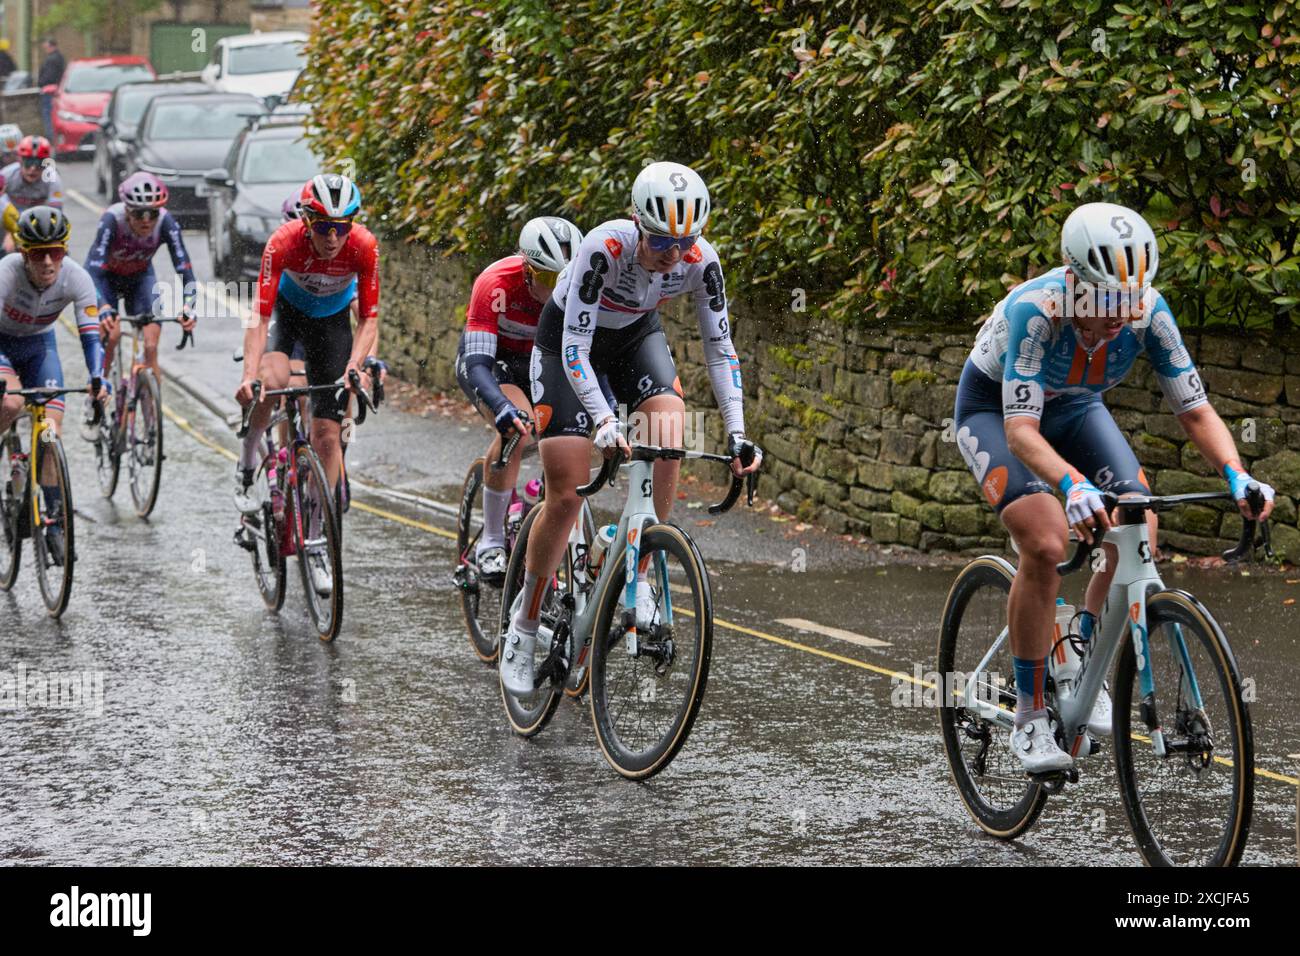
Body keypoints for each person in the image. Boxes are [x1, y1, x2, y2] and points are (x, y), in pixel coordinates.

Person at [953, 201, 1276, 774]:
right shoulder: (1038, 311)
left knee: (1139, 520)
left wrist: (1237, 473)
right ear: (1074, 281)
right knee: (1048, 541)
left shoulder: (1149, 312)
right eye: (1106, 301)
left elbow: (1195, 411)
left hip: (1077, 409)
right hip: (996, 414)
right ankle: (1029, 716)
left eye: (1129, 300)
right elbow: (1021, 431)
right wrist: (1072, 485)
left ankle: (1078, 642)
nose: (1119, 316)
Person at [499, 161, 762, 696]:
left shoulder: (700, 261)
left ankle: (635, 568)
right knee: (568, 491)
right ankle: (523, 627)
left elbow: (720, 350)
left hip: (635, 339)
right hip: (567, 348)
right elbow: (574, 347)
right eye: (662, 240)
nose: (673, 255)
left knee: (669, 433)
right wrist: (601, 420)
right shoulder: (604, 249)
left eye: (686, 242)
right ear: (637, 223)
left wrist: (737, 433)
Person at [234, 173, 379, 595]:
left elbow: (369, 317)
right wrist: (248, 375)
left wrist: (356, 365)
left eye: (342, 226)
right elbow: (259, 317)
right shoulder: (282, 242)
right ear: (306, 222)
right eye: (323, 227)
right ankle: (246, 461)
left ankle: (315, 539)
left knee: (328, 437)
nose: (333, 237)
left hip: (331, 326)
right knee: (273, 382)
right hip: (287, 318)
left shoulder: (364, 246)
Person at [456, 215, 584, 582]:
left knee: (574, 435)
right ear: (527, 270)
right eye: (547, 278)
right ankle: (492, 541)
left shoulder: (580, 289)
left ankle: (532, 498)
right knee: (520, 427)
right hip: (495, 364)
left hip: (541, 363)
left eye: (566, 278)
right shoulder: (495, 283)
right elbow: (477, 362)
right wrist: (500, 407)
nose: (558, 288)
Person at [0, 206, 102, 564]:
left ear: (64, 252)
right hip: (2, 345)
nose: (47, 262)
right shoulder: (6, 274)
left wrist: (97, 377)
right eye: (38, 254)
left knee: (49, 432)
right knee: (10, 404)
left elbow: (91, 336)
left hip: (39, 347)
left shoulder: (77, 278)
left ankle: (56, 521)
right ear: (22, 254)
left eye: (55, 252)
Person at [80, 172, 197, 437]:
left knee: (152, 344)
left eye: (152, 214)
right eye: (139, 214)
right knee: (112, 333)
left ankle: (151, 421)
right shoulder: (112, 219)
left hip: (139, 279)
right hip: (105, 279)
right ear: (127, 210)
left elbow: (185, 270)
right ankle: (96, 396)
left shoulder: (166, 222)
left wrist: (189, 307)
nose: (146, 221)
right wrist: (102, 307)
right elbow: (94, 272)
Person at [1, 136, 64, 254]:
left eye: (39, 164)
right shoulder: (6, 175)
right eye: (28, 163)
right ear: (20, 161)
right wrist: (9, 233)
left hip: (39, 222)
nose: (33, 169)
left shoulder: (52, 178)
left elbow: (56, 214)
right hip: (8, 224)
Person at [37, 39, 64, 142]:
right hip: (55, 90)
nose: (45, 50)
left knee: (48, 114)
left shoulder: (51, 59)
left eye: (46, 47)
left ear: (52, 46)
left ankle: (51, 137)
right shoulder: (59, 57)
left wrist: (41, 83)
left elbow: (49, 76)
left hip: (49, 91)